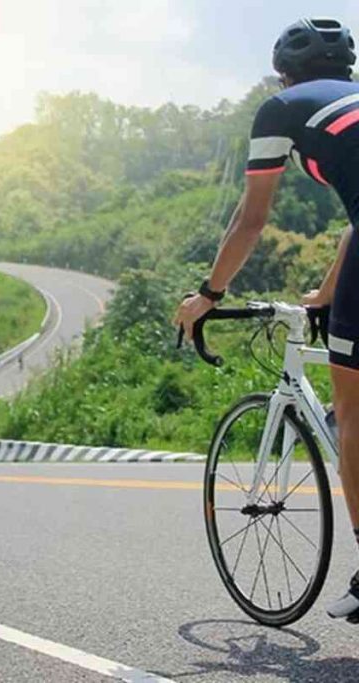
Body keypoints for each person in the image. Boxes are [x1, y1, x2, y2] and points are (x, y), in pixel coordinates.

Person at [172, 17, 359, 622]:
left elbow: (250, 221)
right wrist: (326, 292)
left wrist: (207, 293)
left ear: (284, 72)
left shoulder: (281, 108)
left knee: (353, 413)